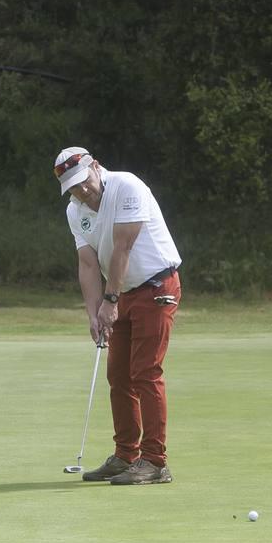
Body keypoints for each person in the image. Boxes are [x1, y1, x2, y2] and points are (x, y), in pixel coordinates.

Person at [55, 146, 182, 485]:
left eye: (83, 181)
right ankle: (126, 455)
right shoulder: (74, 211)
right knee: (119, 376)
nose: (81, 190)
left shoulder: (128, 187)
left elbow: (123, 248)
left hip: (156, 286)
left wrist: (110, 301)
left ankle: (155, 462)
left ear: (95, 166)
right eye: (72, 187)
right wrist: (95, 314)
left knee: (145, 372)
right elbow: (87, 263)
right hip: (121, 292)